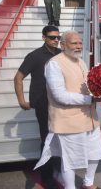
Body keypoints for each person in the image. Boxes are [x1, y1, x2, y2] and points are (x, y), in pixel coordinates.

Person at [34, 31, 101, 189]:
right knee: (70, 160)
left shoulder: (81, 61)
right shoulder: (54, 64)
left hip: (89, 118)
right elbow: (60, 96)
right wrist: (90, 99)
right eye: (74, 43)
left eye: (80, 43)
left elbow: (88, 86)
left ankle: (88, 183)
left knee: (96, 152)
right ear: (63, 45)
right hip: (68, 121)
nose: (78, 46)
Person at [14, 25, 61, 189]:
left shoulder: (62, 54)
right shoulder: (34, 56)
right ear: (43, 38)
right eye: (52, 37)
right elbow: (18, 77)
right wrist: (21, 101)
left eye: (58, 37)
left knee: (60, 138)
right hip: (43, 104)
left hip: (60, 104)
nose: (56, 40)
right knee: (47, 140)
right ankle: (47, 177)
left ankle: (57, 169)